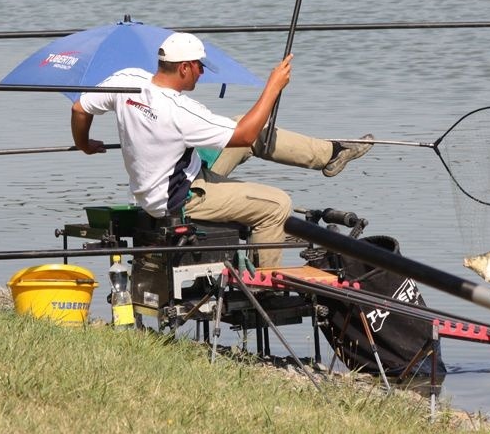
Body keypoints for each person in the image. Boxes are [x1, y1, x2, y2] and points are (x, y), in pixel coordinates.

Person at [70, 32, 372, 268]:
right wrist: (273, 87)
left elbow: (80, 107)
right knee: (278, 204)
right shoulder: (179, 110)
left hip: (164, 180)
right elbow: (243, 136)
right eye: (200, 67)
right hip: (179, 198)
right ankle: (266, 283)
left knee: (242, 123)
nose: (202, 73)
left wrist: (84, 145)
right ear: (185, 68)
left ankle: (330, 154)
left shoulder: (128, 80)